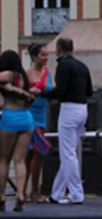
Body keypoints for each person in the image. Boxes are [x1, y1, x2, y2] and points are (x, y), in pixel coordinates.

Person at [31, 37, 93, 205]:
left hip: (69, 110)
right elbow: (89, 90)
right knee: (69, 152)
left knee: (68, 153)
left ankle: (76, 193)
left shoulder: (63, 66)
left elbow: (60, 91)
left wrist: (41, 93)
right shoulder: (82, 66)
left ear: (58, 48)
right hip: (83, 109)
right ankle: (56, 194)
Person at [0, 50, 35, 212]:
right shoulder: (23, 77)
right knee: (20, 160)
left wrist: (10, 89)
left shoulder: (7, 74)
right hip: (27, 118)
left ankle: (1, 196)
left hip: (10, 118)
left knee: (3, 160)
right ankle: (21, 194)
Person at [23, 43, 53, 204]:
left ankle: (34, 189)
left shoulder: (47, 73)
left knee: (38, 152)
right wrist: (30, 91)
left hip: (42, 114)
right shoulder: (27, 73)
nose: (46, 58)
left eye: (47, 55)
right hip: (29, 113)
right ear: (34, 57)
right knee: (29, 153)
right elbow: (21, 92)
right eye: (43, 55)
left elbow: (49, 89)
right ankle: (27, 190)